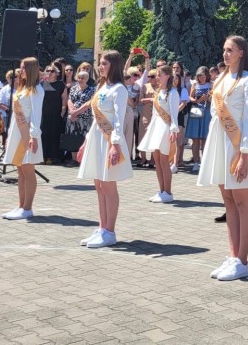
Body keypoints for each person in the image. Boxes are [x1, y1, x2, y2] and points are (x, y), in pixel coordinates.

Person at [200, 36, 248, 280]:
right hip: (220, 143)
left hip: (237, 146)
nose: (225, 54)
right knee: (228, 201)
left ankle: (243, 260)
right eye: (224, 50)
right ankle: (233, 255)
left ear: (241, 53)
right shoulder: (220, 79)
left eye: (230, 50)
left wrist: (245, 153)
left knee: (242, 202)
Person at [78, 50, 134, 247]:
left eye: (104, 64)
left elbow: (118, 120)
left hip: (109, 141)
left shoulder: (119, 89)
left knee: (108, 186)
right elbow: (96, 119)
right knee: (99, 185)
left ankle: (110, 231)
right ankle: (102, 227)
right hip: (97, 139)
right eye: (100, 63)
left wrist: (115, 145)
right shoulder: (102, 87)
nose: (100, 67)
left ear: (114, 66)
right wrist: (86, 141)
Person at [2, 57, 44, 220]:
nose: (21, 71)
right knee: (20, 170)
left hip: (27, 133)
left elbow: (36, 115)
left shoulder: (36, 90)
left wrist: (34, 136)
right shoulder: (22, 87)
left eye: (24, 68)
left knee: (28, 169)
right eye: (20, 67)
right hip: (17, 131)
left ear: (32, 69)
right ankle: (20, 205)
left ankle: (28, 208)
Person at [138, 64, 179, 203]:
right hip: (156, 126)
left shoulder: (173, 93)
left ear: (167, 76)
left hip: (165, 128)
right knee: (157, 160)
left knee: (164, 161)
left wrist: (173, 130)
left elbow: (174, 113)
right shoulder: (159, 91)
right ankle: (161, 191)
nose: (157, 77)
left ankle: (168, 192)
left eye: (159, 75)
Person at [185, 67, 213, 173]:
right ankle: (196, 162)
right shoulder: (195, 84)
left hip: (207, 112)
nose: (202, 78)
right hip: (196, 111)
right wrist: (198, 100)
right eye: (200, 76)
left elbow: (215, 97)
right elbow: (190, 97)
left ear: (207, 76)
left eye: (203, 76)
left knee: (205, 138)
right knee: (195, 139)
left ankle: (205, 163)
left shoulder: (211, 84)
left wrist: (208, 98)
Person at [65, 69, 94, 163]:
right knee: (72, 137)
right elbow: (69, 100)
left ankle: (82, 160)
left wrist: (76, 112)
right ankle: (74, 159)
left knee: (83, 137)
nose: (80, 79)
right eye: (79, 77)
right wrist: (72, 111)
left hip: (84, 118)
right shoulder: (73, 88)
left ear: (87, 79)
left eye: (83, 78)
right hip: (72, 117)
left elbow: (89, 103)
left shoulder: (92, 90)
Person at [39, 64, 65, 165]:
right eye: (48, 71)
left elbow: (64, 99)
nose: (50, 73)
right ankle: (42, 156)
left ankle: (51, 157)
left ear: (56, 73)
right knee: (42, 134)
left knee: (53, 135)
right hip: (43, 113)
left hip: (55, 113)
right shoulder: (41, 84)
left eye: (52, 71)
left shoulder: (60, 84)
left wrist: (63, 111)